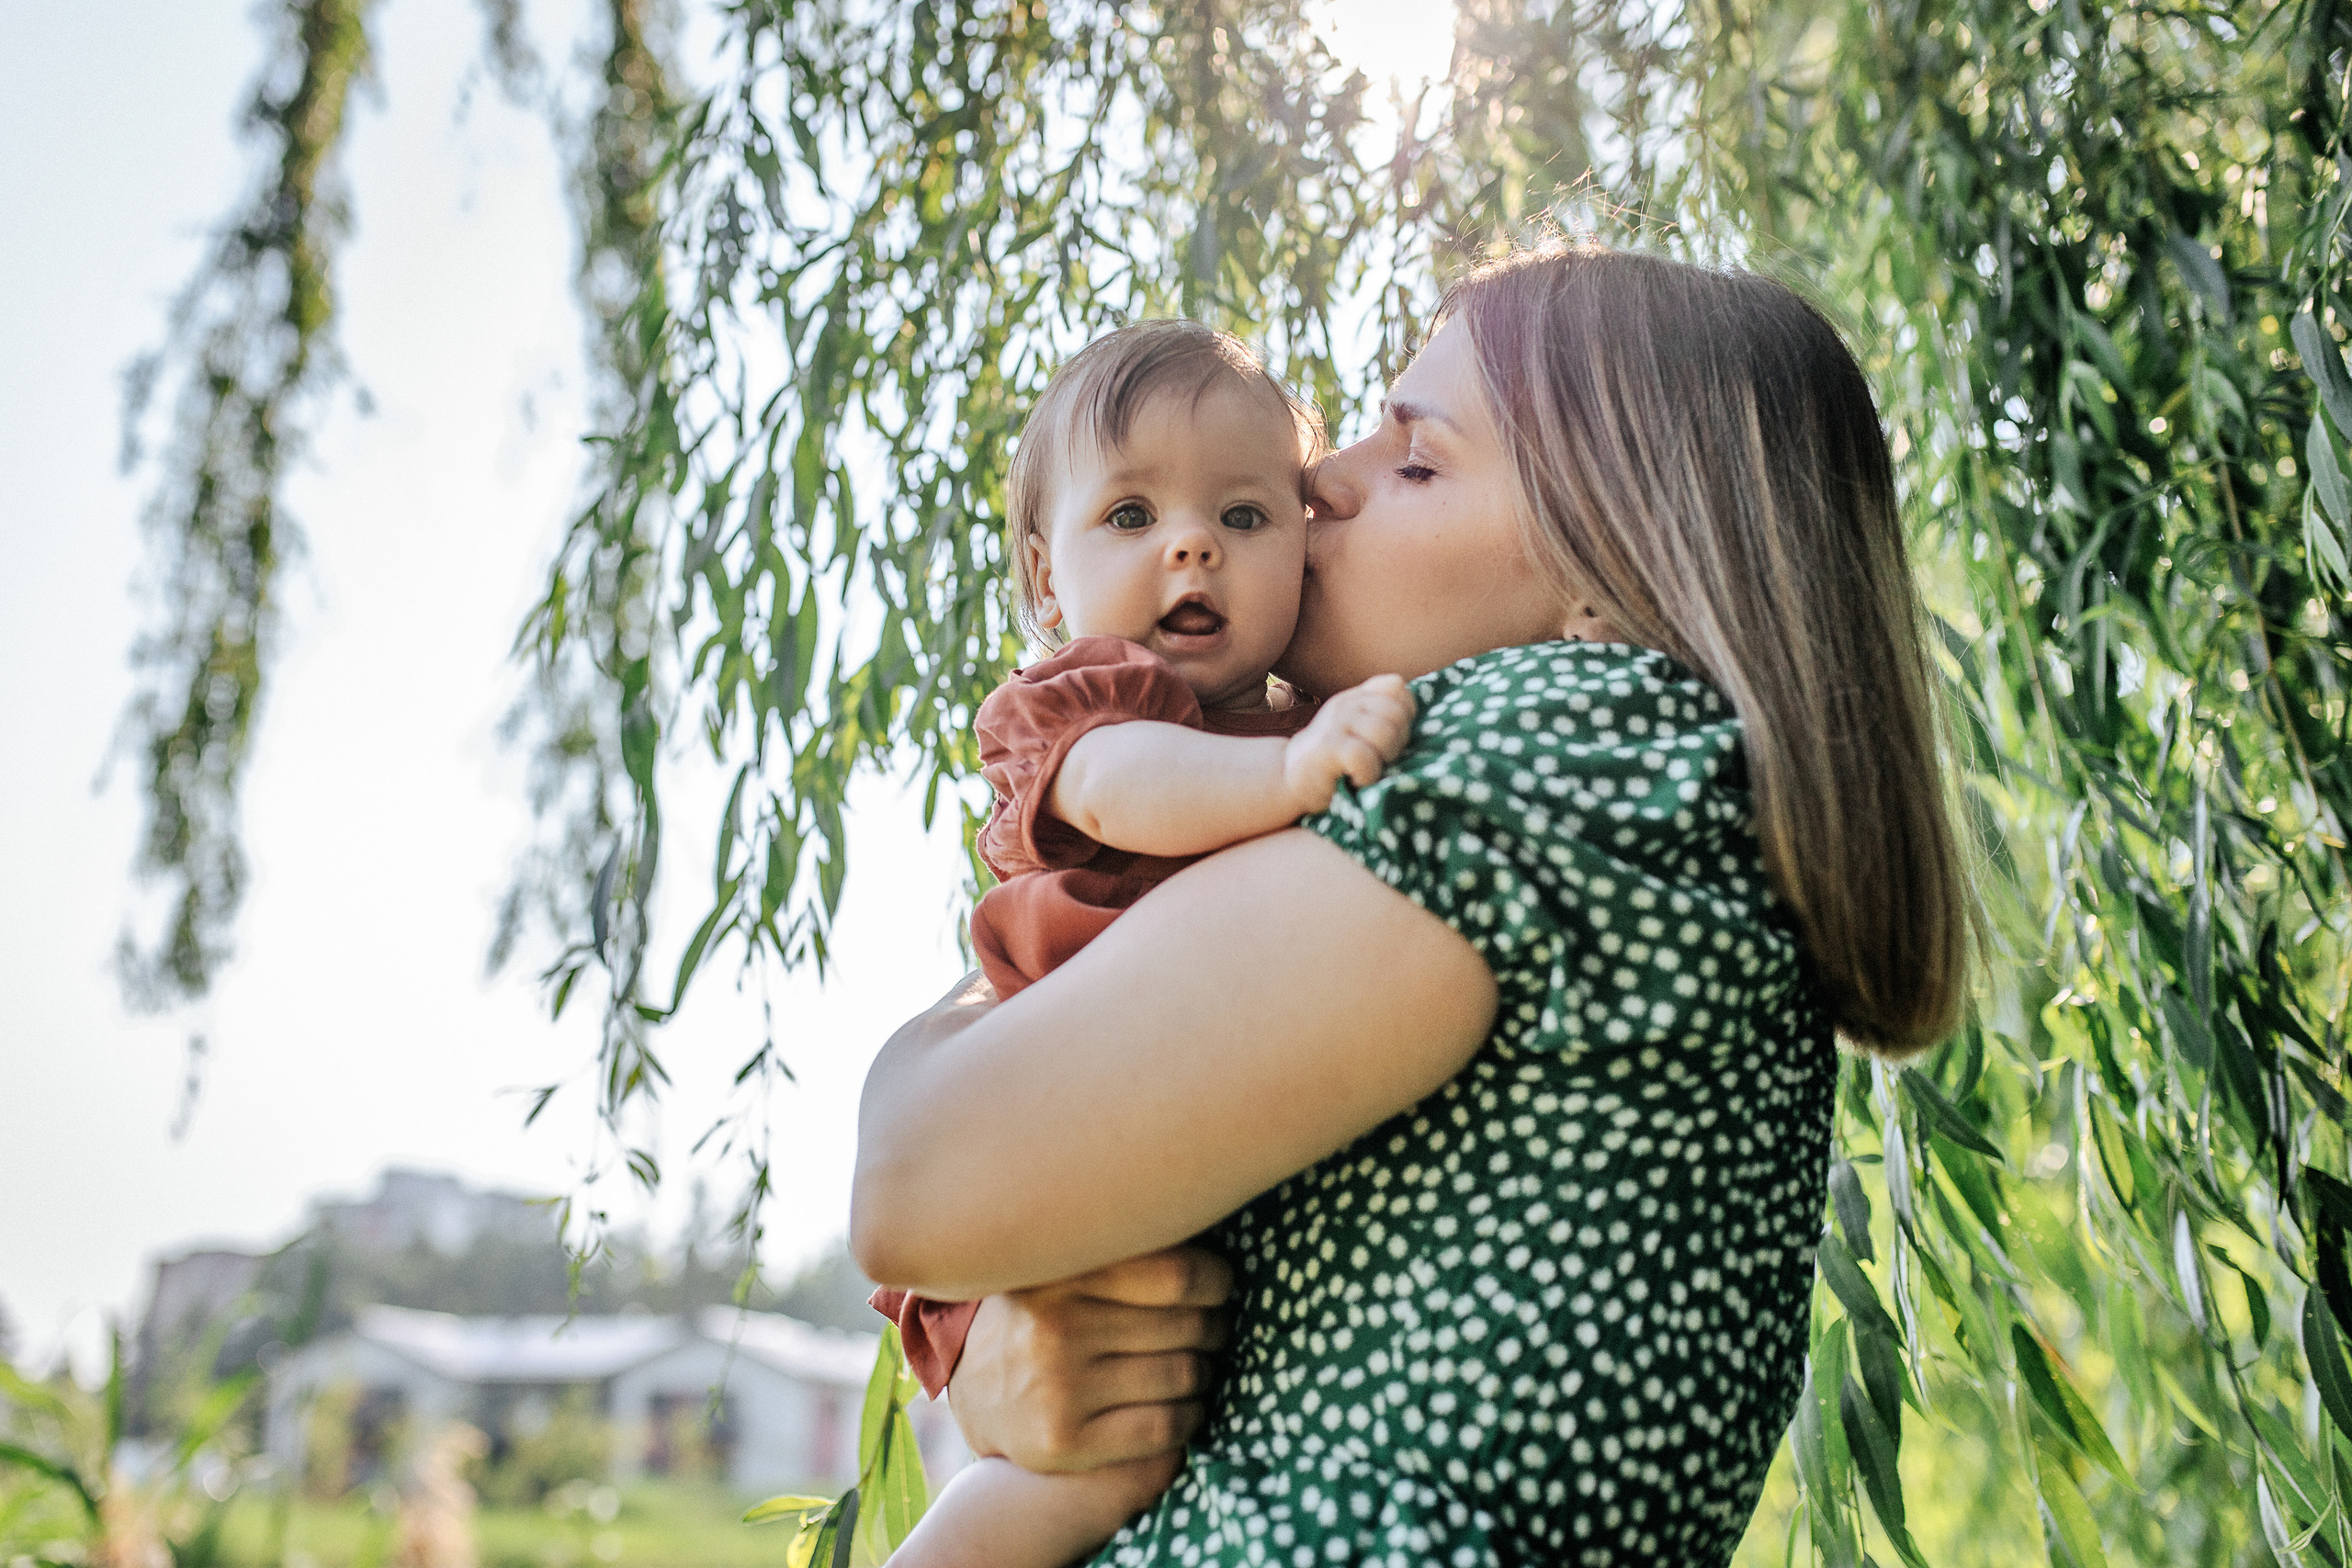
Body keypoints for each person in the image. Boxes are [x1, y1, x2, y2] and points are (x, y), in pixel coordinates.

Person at [855, 246, 1975, 1566]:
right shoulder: (1645, 799)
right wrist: (1018, 1348)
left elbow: (913, 1181)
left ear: (1608, 569)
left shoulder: (1555, 768)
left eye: (1416, 458)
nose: (1318, 482)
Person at [871, 320, 1419, 1568]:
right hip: (1039, 1136)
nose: (1191, 544)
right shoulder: (1085, 700)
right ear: (1046, 576)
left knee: (1152, 1437)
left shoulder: (1302, 716)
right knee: (1090, 1472)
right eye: (1129, 516)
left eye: (1244, 515)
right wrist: (1293, 770)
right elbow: (1129, 790)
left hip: (1146, 1134)